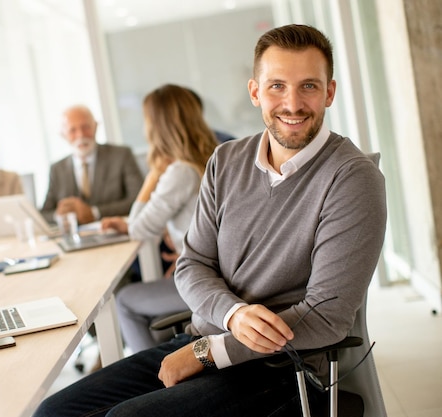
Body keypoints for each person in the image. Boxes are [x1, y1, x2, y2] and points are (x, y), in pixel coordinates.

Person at [33, 24, 387, 416]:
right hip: (204, 338)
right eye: (276, 86)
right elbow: (192, 264)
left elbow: (326, 316)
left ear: (329, 92)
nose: (292, 103)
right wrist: (231, 316)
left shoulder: (352, 178)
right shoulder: (227, 160)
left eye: (308, 86)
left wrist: (210, 352)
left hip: (286, 368)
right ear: (255, 92)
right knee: (54, 412)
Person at [101, 84, 219, 354]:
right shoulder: (212, 158)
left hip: (205, 282)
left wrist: (153, 175)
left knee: (125, 302)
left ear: (157, 126)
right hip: (215, 274)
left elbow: (139, 229)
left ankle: (153, 380)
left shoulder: (179, 172)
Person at [41, 105, 144, 225]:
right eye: (72, 130)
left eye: (85, 127)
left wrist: (94, 212)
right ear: (63, 135)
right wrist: (62, 215)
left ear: (95, 126)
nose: (80, 135)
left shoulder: (121, 155)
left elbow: (139, 199)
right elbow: (45, 213)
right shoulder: (57, 169)